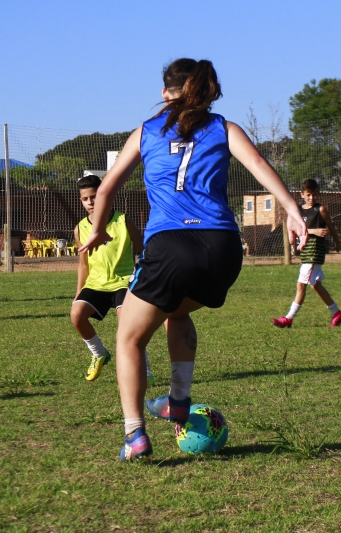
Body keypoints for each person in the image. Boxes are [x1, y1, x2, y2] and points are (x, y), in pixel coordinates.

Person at [79, 58, 308, 461]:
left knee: (129, 338)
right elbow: (258, 165)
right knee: (178, 310)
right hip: (224, 248)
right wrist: (291, 210)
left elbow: (108, 186)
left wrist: (97, 229)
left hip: (172, 245)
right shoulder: (224, 128)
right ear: (206, 92)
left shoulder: (147, 131)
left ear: (165, 93)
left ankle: (135, 434)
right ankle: (178, 402)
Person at [70, 175, 154, 384]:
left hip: (124, 282)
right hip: (96, 284)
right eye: (85, 199)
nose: (90, 202)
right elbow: (83, 264)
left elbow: (145, 251)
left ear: (104, 195)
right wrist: (79, 291)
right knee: (76, 315)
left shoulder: (123, 221)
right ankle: (99, 353)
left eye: (94, 197)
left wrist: (145, 279)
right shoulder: (80, 228)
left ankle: (144, 371)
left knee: (128, 326)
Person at [272, 179, 341, 329]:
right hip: (306, 253)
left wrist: (338, 244)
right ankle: (337, 313)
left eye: (314, 194)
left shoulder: (320, 210)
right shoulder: (298, 211)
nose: (312, 198)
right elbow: (297, 229)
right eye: (308, 195)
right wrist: (311, 233)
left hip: (314, 253)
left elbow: (331, 227)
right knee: (315, 285)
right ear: (302, 195)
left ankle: (288, 318)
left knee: (301, 285)